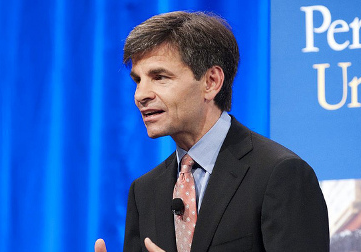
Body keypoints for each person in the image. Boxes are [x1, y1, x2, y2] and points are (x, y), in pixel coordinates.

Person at [96, 11, 329, 252]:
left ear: (211, 81)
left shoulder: (280, 175)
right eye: (137, 80)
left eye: (159, 77)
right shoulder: (144, 191)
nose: (140, 95)